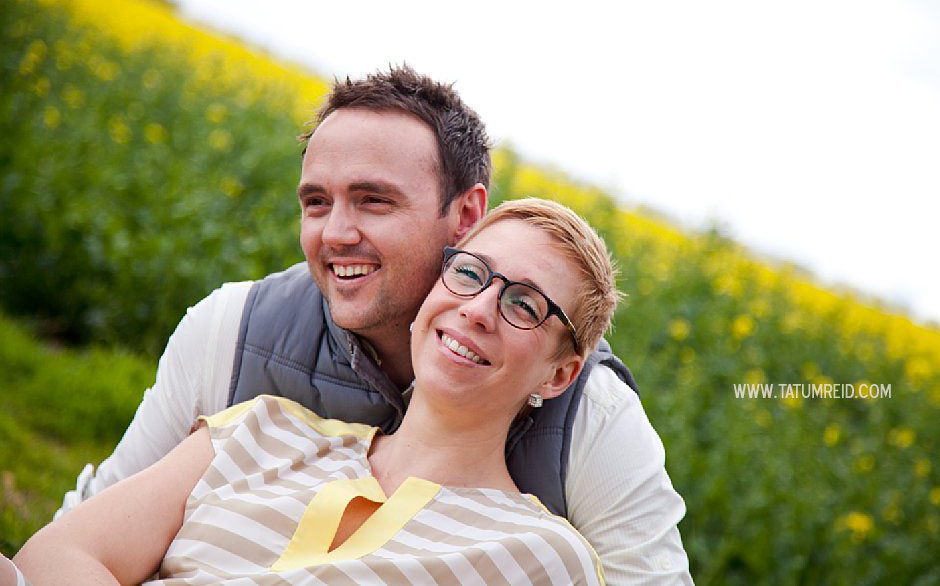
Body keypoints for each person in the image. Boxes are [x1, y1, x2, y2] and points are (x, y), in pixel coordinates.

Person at [54, 66, 692, 583]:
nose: (335, 235)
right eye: (316, 203)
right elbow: (83, 534)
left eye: (374, 200)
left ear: (465, 215)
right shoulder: (238, 349)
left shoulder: (591, 424)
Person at [16, 199, 617, 584]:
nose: (479, 309)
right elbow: (52, 559)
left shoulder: (541, 558)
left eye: (524, 304)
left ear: (559, 375)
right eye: (470, 273)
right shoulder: (259, 431)